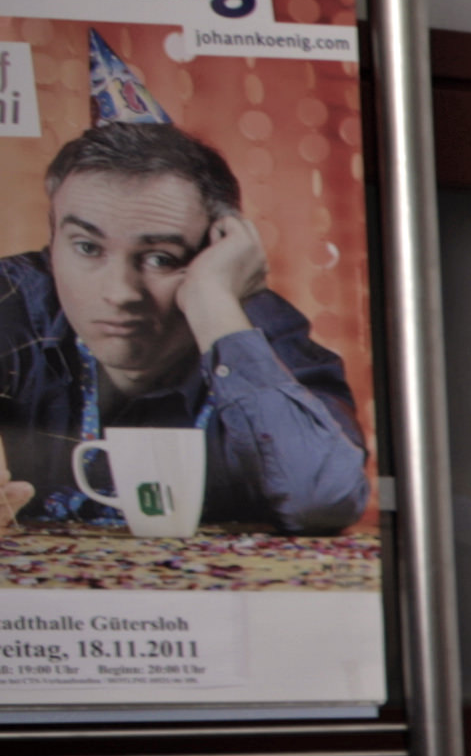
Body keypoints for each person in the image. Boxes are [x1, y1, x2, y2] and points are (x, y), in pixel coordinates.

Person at [1, 121, 370, 536]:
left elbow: (323, 500)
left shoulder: (254, 328)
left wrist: (214, 303)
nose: (120, 293)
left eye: (161, 258)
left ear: (216, 252)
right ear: (53, 242)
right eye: (87, 247)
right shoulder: (11, 298)